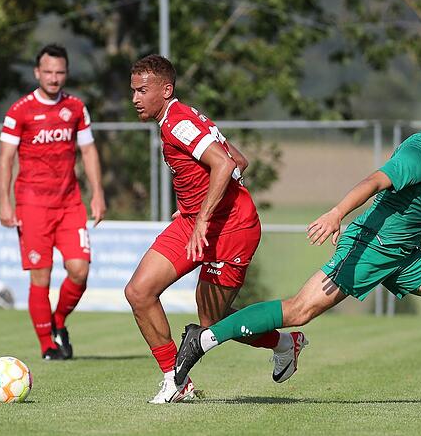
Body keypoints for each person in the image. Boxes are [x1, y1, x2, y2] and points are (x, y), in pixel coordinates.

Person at [174, 99, 421, 409]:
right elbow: (374, 181)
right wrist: (336, 214)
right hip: (369, 247)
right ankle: (203, 339)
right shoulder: (420, 153)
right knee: (300, 310)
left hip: (404, 256)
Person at [125, 55, 305, 405]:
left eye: (142, 90)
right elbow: (239, 160)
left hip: (230, 229)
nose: (135, 98)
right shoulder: (179, 119)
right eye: (133, 90)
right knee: (139, 292)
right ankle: (175, 381)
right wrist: (194, 205)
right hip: (194, 222)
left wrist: (205, 216)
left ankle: (286, 343)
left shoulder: (178, 123)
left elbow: (224, 164)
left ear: (166, 90)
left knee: (212, 321)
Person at [0, 44, 106, 361]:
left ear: (66, 73)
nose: (54, 78)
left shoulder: (75, 108)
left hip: (70, 204)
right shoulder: (20, 111)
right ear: (37, 73)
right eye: (48, 72)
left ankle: (58, 321)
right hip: (32, 206)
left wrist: (97, 192)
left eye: (60, 72)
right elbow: (5, 159)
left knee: (79, 270)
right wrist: (4, 203)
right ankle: (47, 344)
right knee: (40, 277)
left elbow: (88, 151)